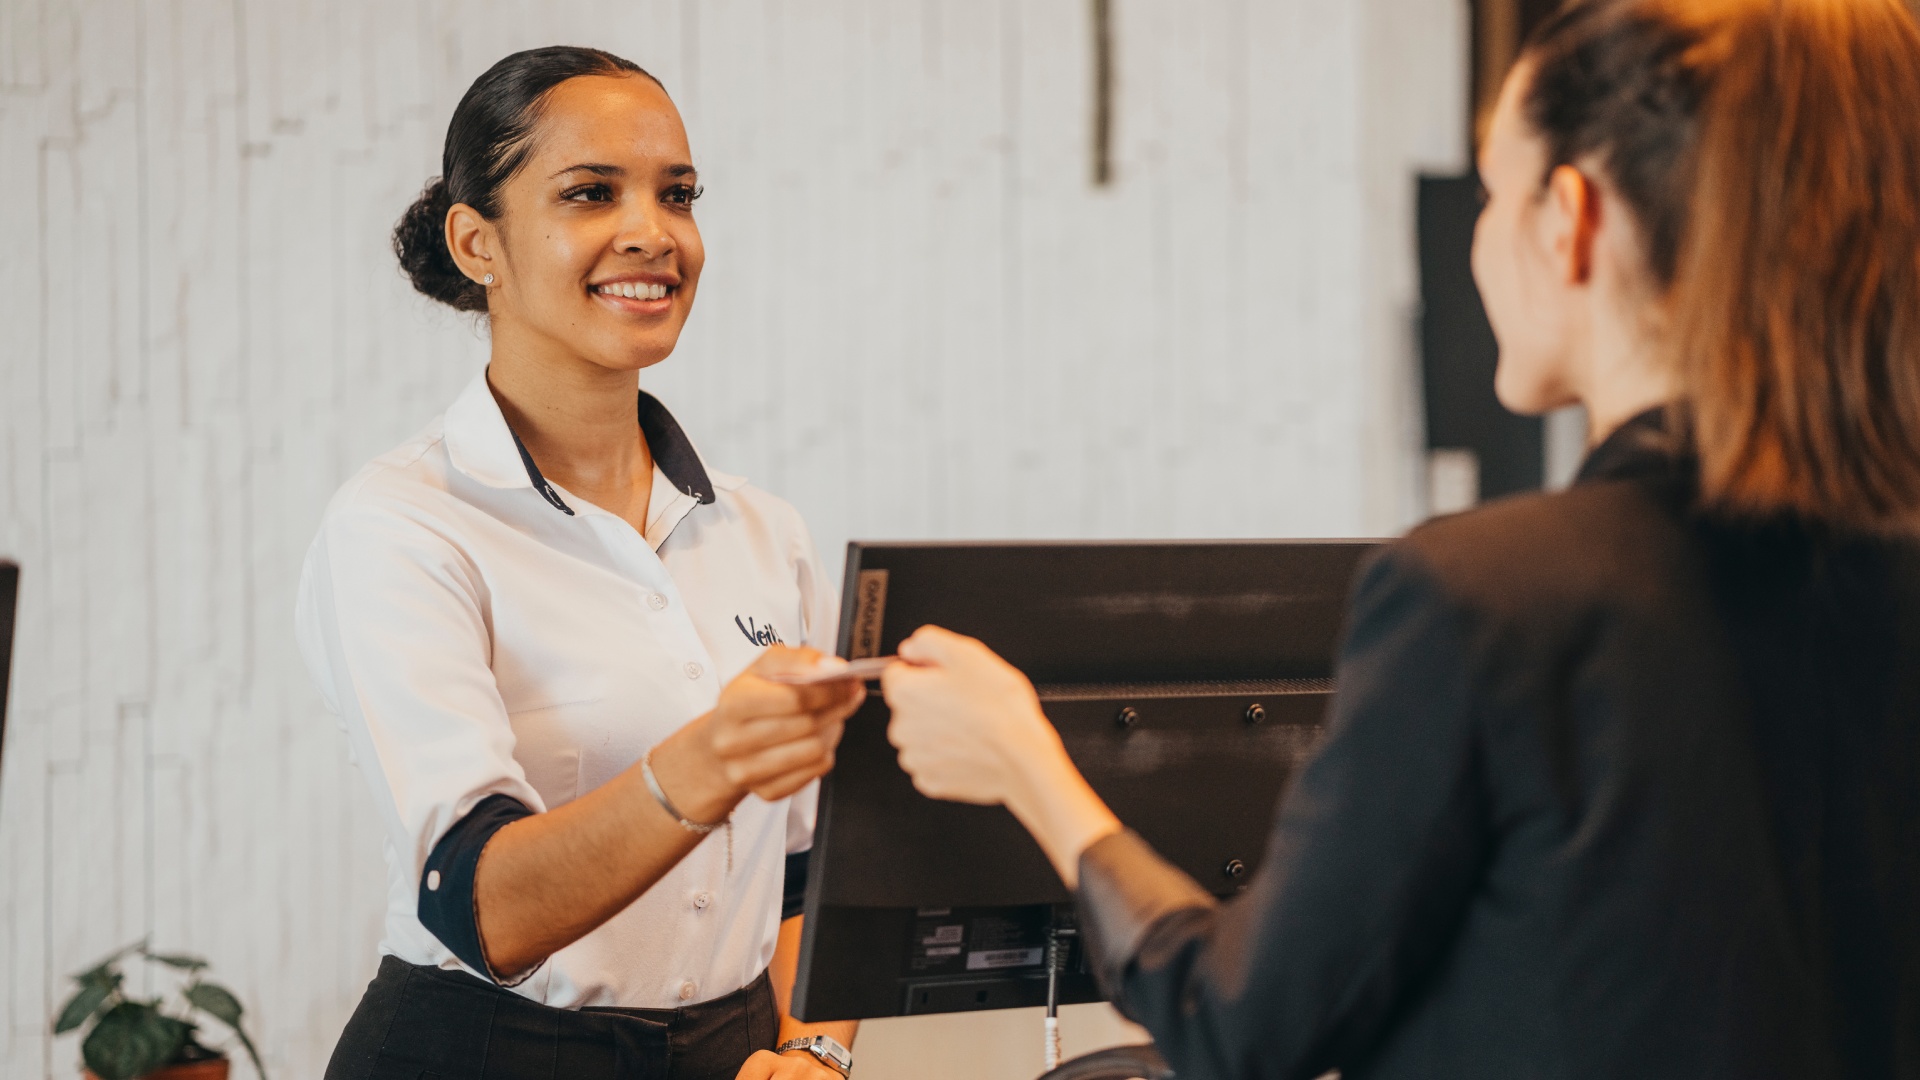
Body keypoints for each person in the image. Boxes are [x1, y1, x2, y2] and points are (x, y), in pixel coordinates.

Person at [881, 1, 1920, 1077]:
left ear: (1570, 219)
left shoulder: (1486, 600)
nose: (1479, 234)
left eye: (1491, 192)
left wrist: (1025, 764)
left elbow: (1241, 1023)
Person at [296, 47, 863, 1080]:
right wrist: (718, 755)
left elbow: (810, 870)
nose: (653, 231)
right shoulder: (401, 526)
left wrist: (816, 1050)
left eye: (677, 194)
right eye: (590, 193)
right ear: (479, 243)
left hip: (735, 1053)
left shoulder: (762, 531)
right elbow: (482, 906)